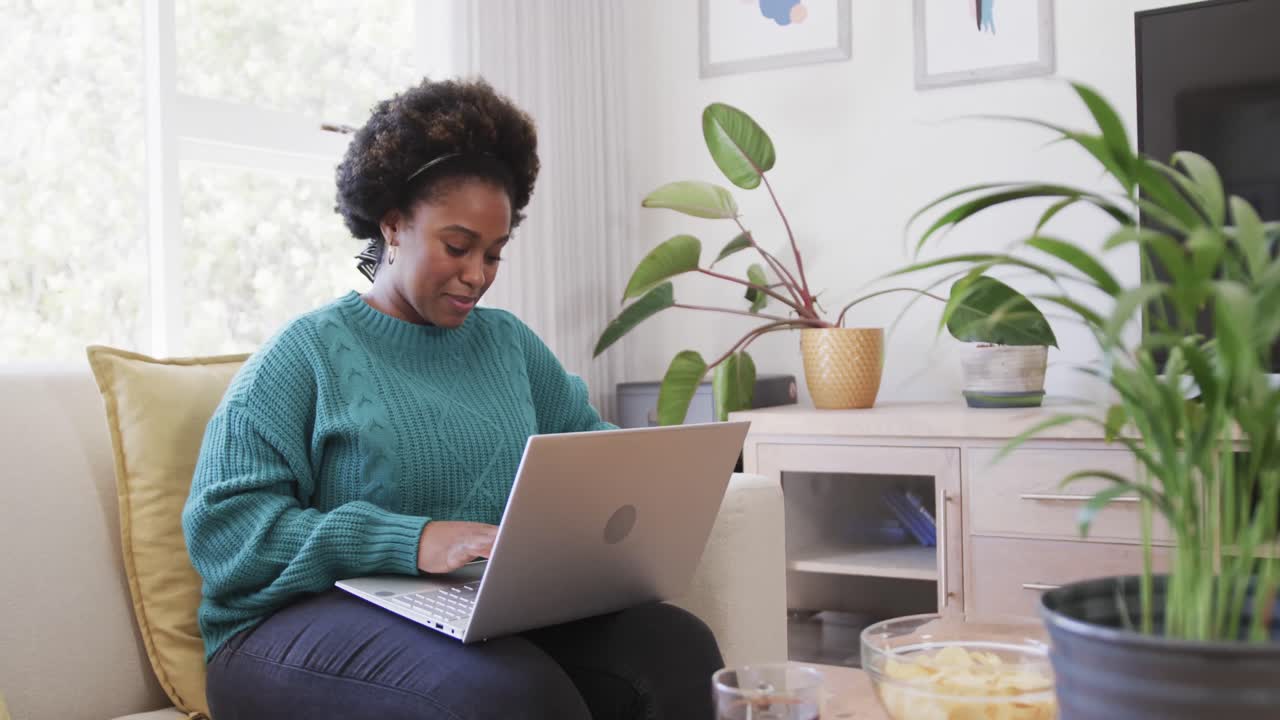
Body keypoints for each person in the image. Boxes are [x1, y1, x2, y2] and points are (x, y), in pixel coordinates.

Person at [182, 77, 724, 720]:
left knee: (678, 649)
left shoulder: (508, 345)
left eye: (494, 253)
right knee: (512, 695)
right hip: (282, 631)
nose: (477, 275)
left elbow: (584, 448)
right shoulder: (305, 355)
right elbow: (225, 533)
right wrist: (410, 542)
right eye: (458, 246)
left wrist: (655, 479)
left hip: (456, 609)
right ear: (392, 224)